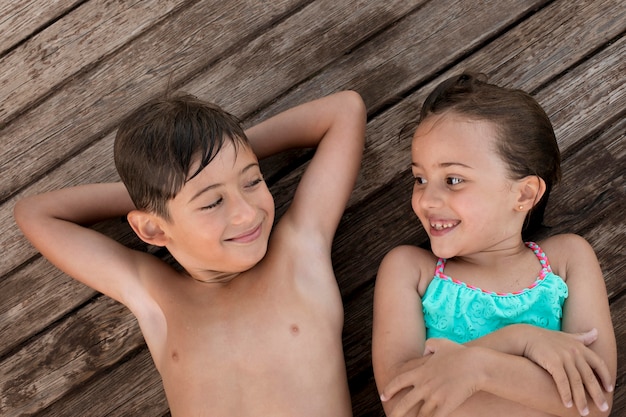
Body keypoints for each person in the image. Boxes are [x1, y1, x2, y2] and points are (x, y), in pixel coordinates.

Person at [14, 90, 366, 416]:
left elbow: (345, 110)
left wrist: (225, 155)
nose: (246, 212)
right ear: (152, 229)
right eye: (212, 201)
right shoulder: (158, 298)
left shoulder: (300, 250)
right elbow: (35, 214)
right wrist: (157, 195)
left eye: (253, 180)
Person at [371, 73, 616, 417]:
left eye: (453, 180)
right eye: (420, 179)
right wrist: (518, 341)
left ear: (524, 194)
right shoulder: (410, 271)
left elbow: (592, 400)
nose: (426, 199)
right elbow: (403, 403)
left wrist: (475, 370)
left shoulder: (567, 260)